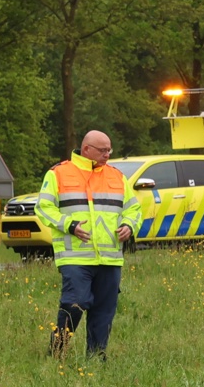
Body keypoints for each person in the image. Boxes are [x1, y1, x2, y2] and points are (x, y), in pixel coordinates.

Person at [35, 130, 141, 360]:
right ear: (86, 150)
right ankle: (58, 350)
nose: (108, 154)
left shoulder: (117, 176)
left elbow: (133, 208)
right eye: (103, 150)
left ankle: (96, 358)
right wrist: (69, 225)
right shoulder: (58, 173)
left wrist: (129, 226)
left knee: (103, 312)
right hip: (75, 257)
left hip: (110, 258)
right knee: (75, 303)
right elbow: (44, 207)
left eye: (109, 150)